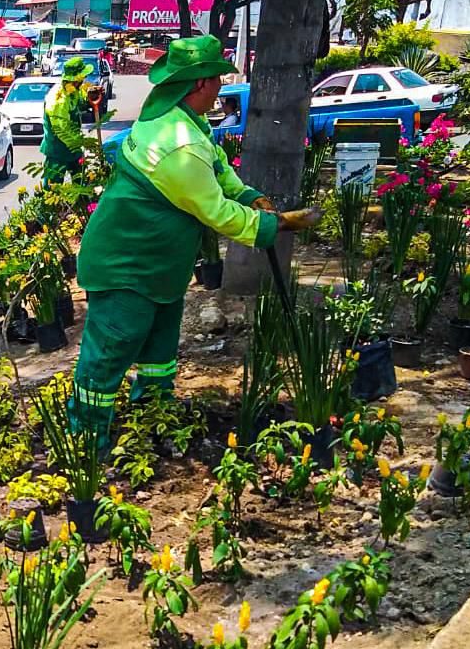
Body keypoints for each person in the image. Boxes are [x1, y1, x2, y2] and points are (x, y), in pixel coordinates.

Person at [68, 35, 321, 452]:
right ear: (200, 84)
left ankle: (153, 422)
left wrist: (249, 195)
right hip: (125, 267)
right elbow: (216, 212)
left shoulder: (185, 123)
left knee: (159, 351)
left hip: (158, 268)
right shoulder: (176, 145)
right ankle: (86, 442)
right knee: (109, 354)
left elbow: (219, 172)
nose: (222, 86)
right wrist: (270, 226)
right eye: (218, 80)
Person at [39, 57, 97, 187]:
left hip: (73, 148)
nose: (84, 80)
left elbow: (80, 101)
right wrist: (81, 144)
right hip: (57, 149)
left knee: (81, 183)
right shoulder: (57, 100)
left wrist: (90, 97)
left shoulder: (73, 90)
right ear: (75, 79)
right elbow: (62, 129)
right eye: (82, 77)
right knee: (53, 190)